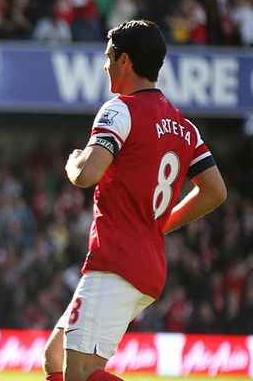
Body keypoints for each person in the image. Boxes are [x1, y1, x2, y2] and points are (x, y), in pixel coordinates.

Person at [42, 20, 226, 381]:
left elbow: (86, 175)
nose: (105, 64)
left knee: (80, 373)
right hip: (147, 265)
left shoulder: (120, 110)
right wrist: (161, 225)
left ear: (124, 60)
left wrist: (73, 161)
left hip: (116, 261)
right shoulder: (184, 126)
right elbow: (215, 191)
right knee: (56, 359)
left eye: (108, 56)